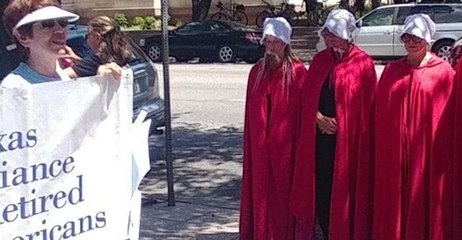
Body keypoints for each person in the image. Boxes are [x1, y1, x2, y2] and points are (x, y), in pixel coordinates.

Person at [290, 9, 377, 240]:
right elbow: (307, 100)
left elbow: (368, 108)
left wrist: (346, 124)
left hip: (349, 143)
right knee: (323, 187)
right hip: (320, 140)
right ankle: (326, 231)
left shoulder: (363, 63)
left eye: (334, 34)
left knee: (347, 189)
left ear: (347, 36)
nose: (329, 39)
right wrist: (318, 118)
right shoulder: (320, 61)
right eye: (327, 34)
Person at [371, 14, 455, 240]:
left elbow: (446, 119)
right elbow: (382, 113)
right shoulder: (391, 71)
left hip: (426, 154)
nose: (411, 41)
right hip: (395, 155)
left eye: (417, 36)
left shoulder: (443, 72)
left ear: (427, 39)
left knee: (424, 197)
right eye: (407, 36)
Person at [239, 17, 309, 240]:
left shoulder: (297, 73)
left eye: (275, 42)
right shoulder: (257, 72)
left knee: (282, 196)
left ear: (285, 43)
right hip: (260, 150)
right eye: (267, 42)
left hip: (286, 151)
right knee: (260, 194)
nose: (270, 47)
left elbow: (302, 114)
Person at [1, 0, 79, 88]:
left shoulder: (63, 76)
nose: (60, 30)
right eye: (47, 24)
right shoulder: (15, 86)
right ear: (23, 37)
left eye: (63, 22)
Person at [63, 16, 131, 78]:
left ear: (97, 38)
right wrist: (77, 59)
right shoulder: (125, 56)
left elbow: (61, 77)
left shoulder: (97, 60)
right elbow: (90, 67)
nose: (86, 39)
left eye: (87, 35)